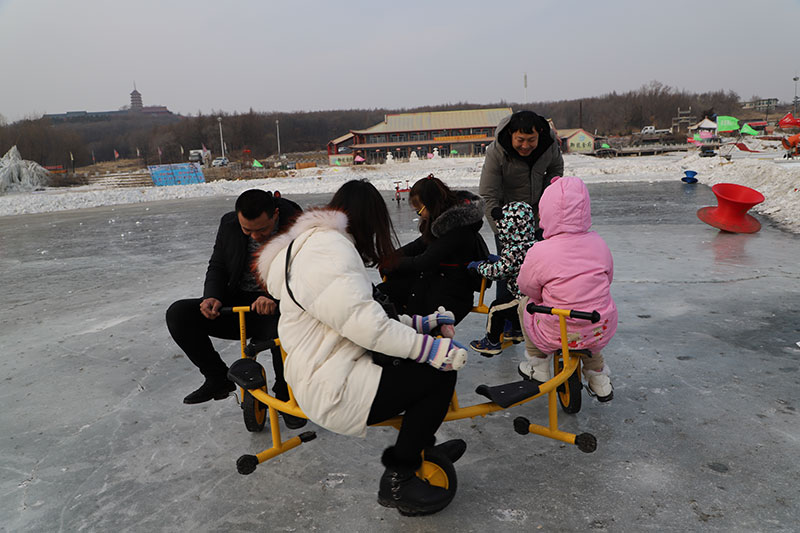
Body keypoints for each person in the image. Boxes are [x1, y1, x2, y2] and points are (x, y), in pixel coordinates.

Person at [255, 179, 468, 516]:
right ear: (369, 220)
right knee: (436, 376)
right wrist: (430, 349)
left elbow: (357, 315)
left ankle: (421, 446)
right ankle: (400, 476)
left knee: (418, 370)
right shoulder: (330, 251)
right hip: (332, 384)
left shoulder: (316, 246)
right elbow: (366, 326)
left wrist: (419, 324)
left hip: (328, 367)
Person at [165, 189, 306, 428]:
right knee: (179, 314)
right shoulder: (229, 224)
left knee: (282, 334)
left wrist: (275, 299)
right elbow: (218, 264)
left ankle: (287, 395)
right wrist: (212, 297)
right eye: (247, 230)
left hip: (280, 307)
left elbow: (307, 278)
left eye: (262, 230)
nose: (255, 236)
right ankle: (217, 378)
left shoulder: (299, 228)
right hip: (238, 304)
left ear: (276, 215)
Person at [516, 177, 618, 402]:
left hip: (555, 331)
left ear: (545, 213)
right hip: (599, 326)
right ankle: (598, 377)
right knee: (590, 324)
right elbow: (608, 278)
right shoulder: (599, 244)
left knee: (526, 304)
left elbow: (527, 286)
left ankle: (538, 363)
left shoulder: (540, 250)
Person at [378, 174, 489, 324]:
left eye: (419, 210)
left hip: (452, 294)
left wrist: (393, 263)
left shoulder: (457, 230)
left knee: (393, 296)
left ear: (430, 204)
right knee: (384, 292)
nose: (420, 215)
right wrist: (392, 257)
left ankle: (406, 333)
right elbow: (420, 244)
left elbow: (424, 261)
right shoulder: (444, 224)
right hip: (437, 282)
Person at [479, 110, 564, 302]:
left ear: (539, 134)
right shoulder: (496, 152)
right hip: (508, 222)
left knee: (542, 268)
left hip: (537, 217)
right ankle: (507, 320)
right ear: (511, 134)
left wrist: (548, 203)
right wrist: (504, 231)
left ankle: (542, 316)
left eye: (531, 140)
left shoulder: (548, 146)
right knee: (509, 271)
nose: (526, 146)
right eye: (520, 139)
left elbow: (556, 170)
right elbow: (488, 194)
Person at [467, 201, 537, 356]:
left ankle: (491, 342)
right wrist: (499, 258)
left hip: (523, 299)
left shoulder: (514, 250)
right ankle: (517, 331)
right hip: (530, 297)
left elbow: (498, 272)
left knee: (496, 308)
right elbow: (514, 265)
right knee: (509, 304)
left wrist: (479, 267)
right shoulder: (532, 244)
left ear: (507, 228)